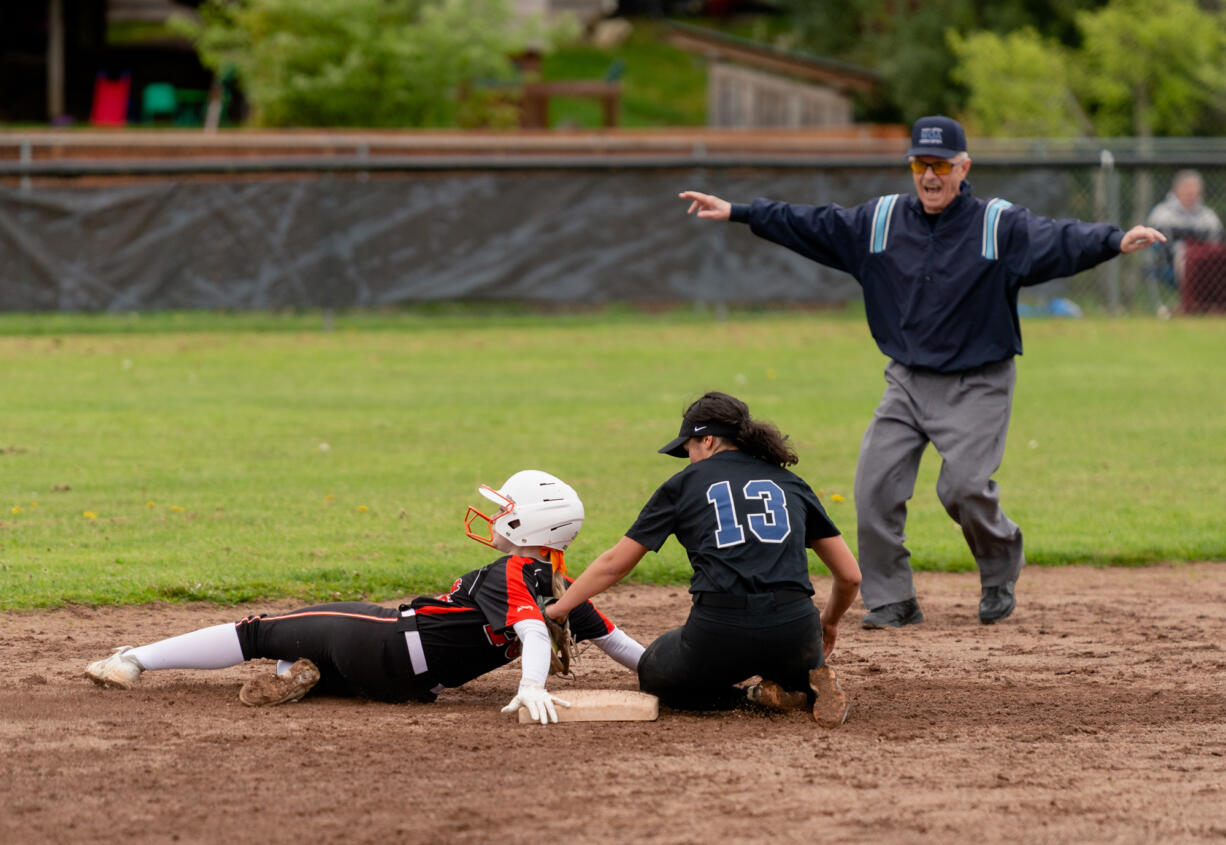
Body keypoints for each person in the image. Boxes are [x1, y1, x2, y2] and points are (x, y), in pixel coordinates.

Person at [678, 115, 1166, 629]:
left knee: (964, 487)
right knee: (873, 487)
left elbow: (1058, 238)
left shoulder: (996, 224)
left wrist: (1114, 240)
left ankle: (1000, 568)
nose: (929, 176)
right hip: (907, 381)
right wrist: (739, 212)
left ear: (963, 167)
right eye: (919, 164)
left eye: (940, 165)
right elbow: (815, 223)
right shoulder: (883, 221)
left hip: (979, 381)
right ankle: (893, 598)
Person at [85, 470, 645, 725]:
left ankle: (131, 660)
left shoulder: (513, 570)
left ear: (527, 524)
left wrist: (531, 687)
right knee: (329, 656)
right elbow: (624, 649)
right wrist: (676, 674)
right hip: (408, 686)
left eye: (505, 508)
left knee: (255, 631)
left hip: (379, 638)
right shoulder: (563, 592)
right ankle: (305, 675)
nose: (496, 515)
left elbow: (526, 632)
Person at [545, 391, 862, 728]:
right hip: (796, 631)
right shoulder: (791, 482)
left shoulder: (682, 486)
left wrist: (559, 609)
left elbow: (616, 564)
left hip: (722, 631)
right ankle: (802, 683)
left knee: (654, 672)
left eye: (689, 449)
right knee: (790, 656)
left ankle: (749, 698)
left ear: (707, 440)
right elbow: (850, 575)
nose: (690, 458)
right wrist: (827, 623)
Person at [1145, 169, 1223, 290]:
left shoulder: (1209, 215)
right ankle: (1188, 303)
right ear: (1176, 190)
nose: (1191, 191)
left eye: (1194, 188)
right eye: (1186, 187)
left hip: (1205, 263)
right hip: (1170, 263)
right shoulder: (1162, 213)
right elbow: (1160, 246)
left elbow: (1216, 241)